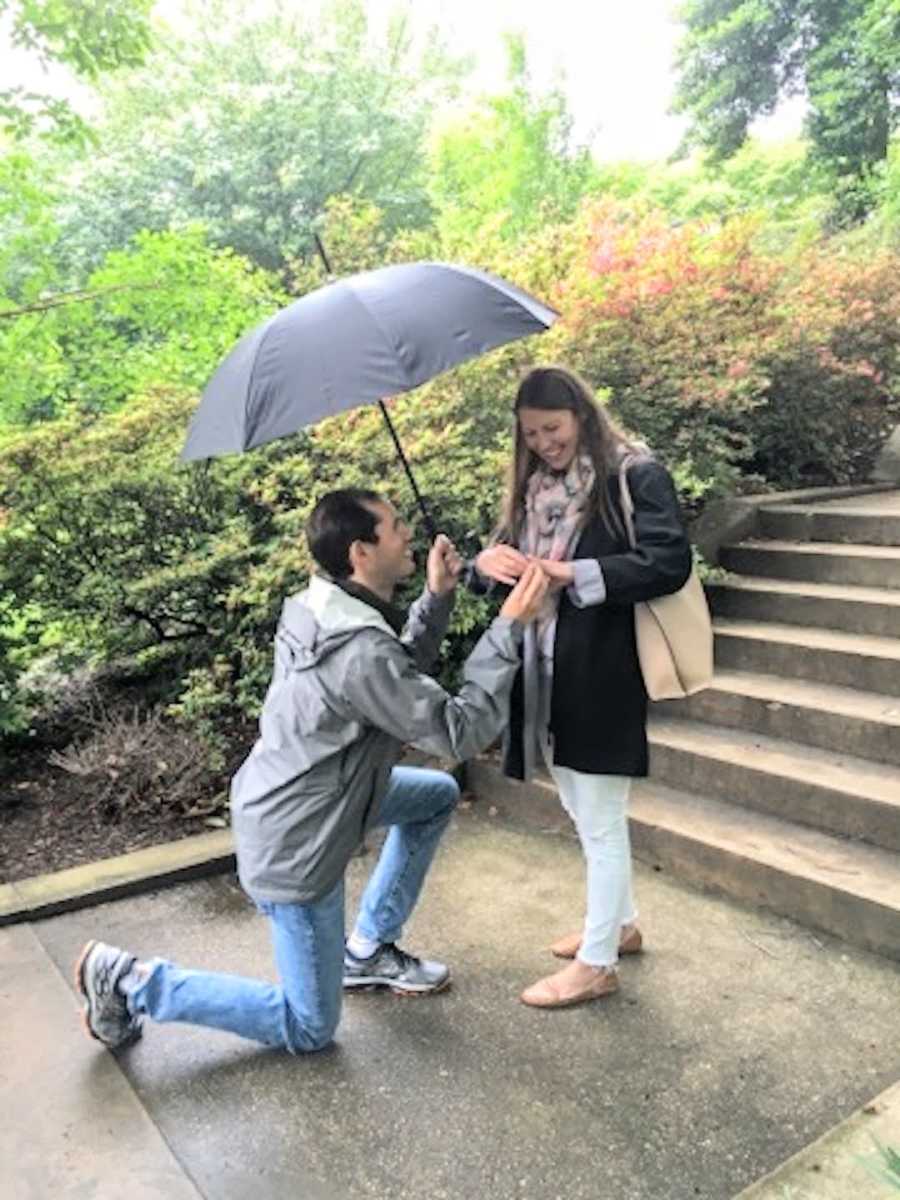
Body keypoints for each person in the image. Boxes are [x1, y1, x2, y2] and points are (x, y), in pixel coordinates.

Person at [75, 487, 548, 1054]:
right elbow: (457, 729)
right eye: (395, 526)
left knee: (434, 795)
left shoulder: (323, 609)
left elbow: (390, 682)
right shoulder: (353, 646)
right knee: (309, 1026)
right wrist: (509, 627)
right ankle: (131, 981)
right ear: (361, 553)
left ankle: (369, 948)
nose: (407, 536)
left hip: (321, 797)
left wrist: (436, 596)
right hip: (301, 842)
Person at [471, 366, 692, 1009]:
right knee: (581, 807)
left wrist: (569, 573)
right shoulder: (532, 487)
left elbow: (668, 561)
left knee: (598, 821)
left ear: (582, 417)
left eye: (553, 428)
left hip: (603, 670)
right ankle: (619, 927)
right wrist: (488, 562)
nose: (543, 442)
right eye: (531, 433)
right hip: (540, 669)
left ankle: (597, 964)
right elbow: (505, 565)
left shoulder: (634, 473)